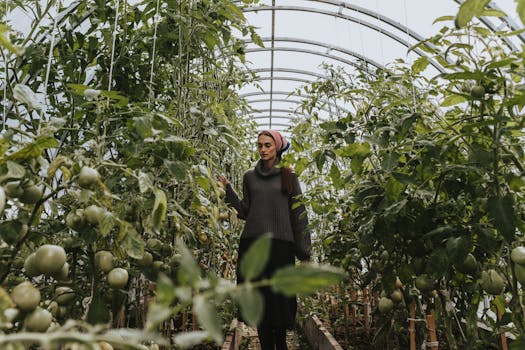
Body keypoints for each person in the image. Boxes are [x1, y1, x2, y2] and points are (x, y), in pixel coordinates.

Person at [218, 130, 311, 350]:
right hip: (252, 245)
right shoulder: (249, 177)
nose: (263, 149)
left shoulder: (289, 175)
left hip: (280, 247)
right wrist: (228, 191)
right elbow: (245, 211)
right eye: (259, 145)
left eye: (267, 145)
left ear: (277, 147)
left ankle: (280, 345)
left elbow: (299, 214)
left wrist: (304, 251)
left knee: (278, 303)